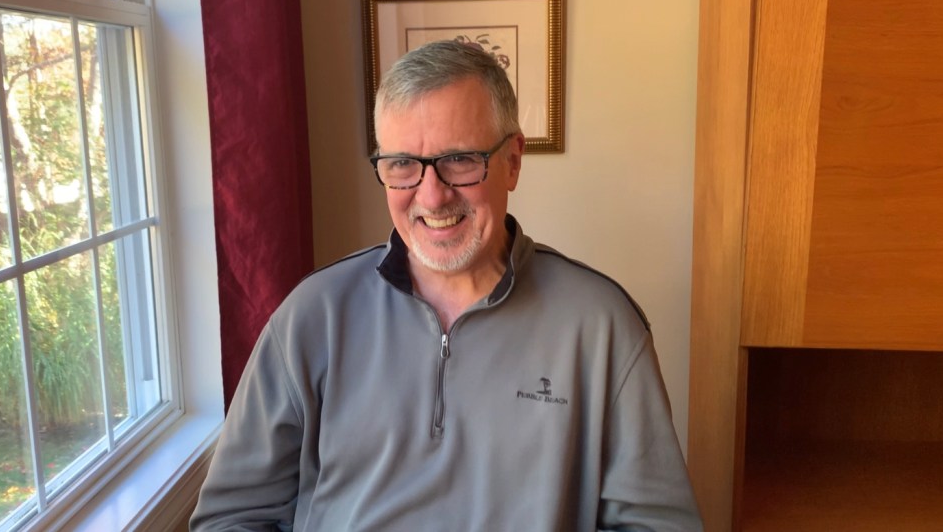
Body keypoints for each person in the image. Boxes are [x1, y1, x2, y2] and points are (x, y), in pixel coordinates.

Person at [190, 40, 702, 531]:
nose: (431, 197)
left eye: (459, 160)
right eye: (402, 165)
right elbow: (231, 516)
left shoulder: (602, 324)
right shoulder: (312, 315)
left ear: (513, 161)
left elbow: (656, 525)